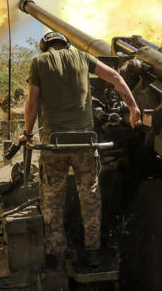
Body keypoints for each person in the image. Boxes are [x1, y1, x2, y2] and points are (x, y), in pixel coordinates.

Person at [19, 32, 141, 268]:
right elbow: (116, 76)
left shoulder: (39, 62)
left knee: (53, 199)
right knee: (90, 198)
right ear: (66, 44)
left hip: (54, 143)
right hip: (86, 143)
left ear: (45, 47)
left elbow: (32, 102)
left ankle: (57, 253)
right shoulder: (83, 58)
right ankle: (93, 252)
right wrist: (133, 107)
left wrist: (26, 132)